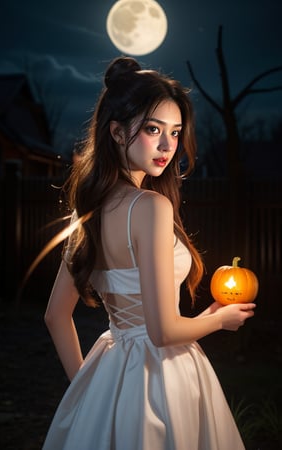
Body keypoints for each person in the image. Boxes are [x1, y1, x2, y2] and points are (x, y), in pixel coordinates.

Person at [43, 56, 256, 450]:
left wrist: (87, 390)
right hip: (164, 376)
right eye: (153, 129)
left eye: (175, 133)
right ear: (118, 133)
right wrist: (220, 319)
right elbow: (163, 332)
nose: (167, 146)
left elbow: (55, 316)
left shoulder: (87, 209)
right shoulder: (150, 208)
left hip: (111, 366)